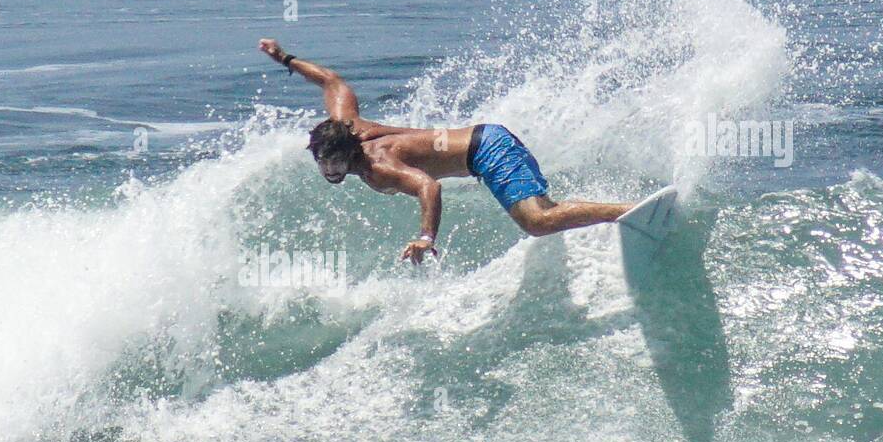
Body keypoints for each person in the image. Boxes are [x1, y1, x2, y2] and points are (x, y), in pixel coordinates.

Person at [259, 39, 635, 263]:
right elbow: (330, 80)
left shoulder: (378, 166)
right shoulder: (346, 126)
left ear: (348, 155)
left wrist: (426, 237)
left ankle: (629, 212)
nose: (328, 171)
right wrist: (285, 59)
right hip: (487, 140)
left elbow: (429, 187)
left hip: (487, 151)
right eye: (322, 163)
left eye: (333, 163)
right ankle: (621, 217)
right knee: (544, 212)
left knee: (536, 222)